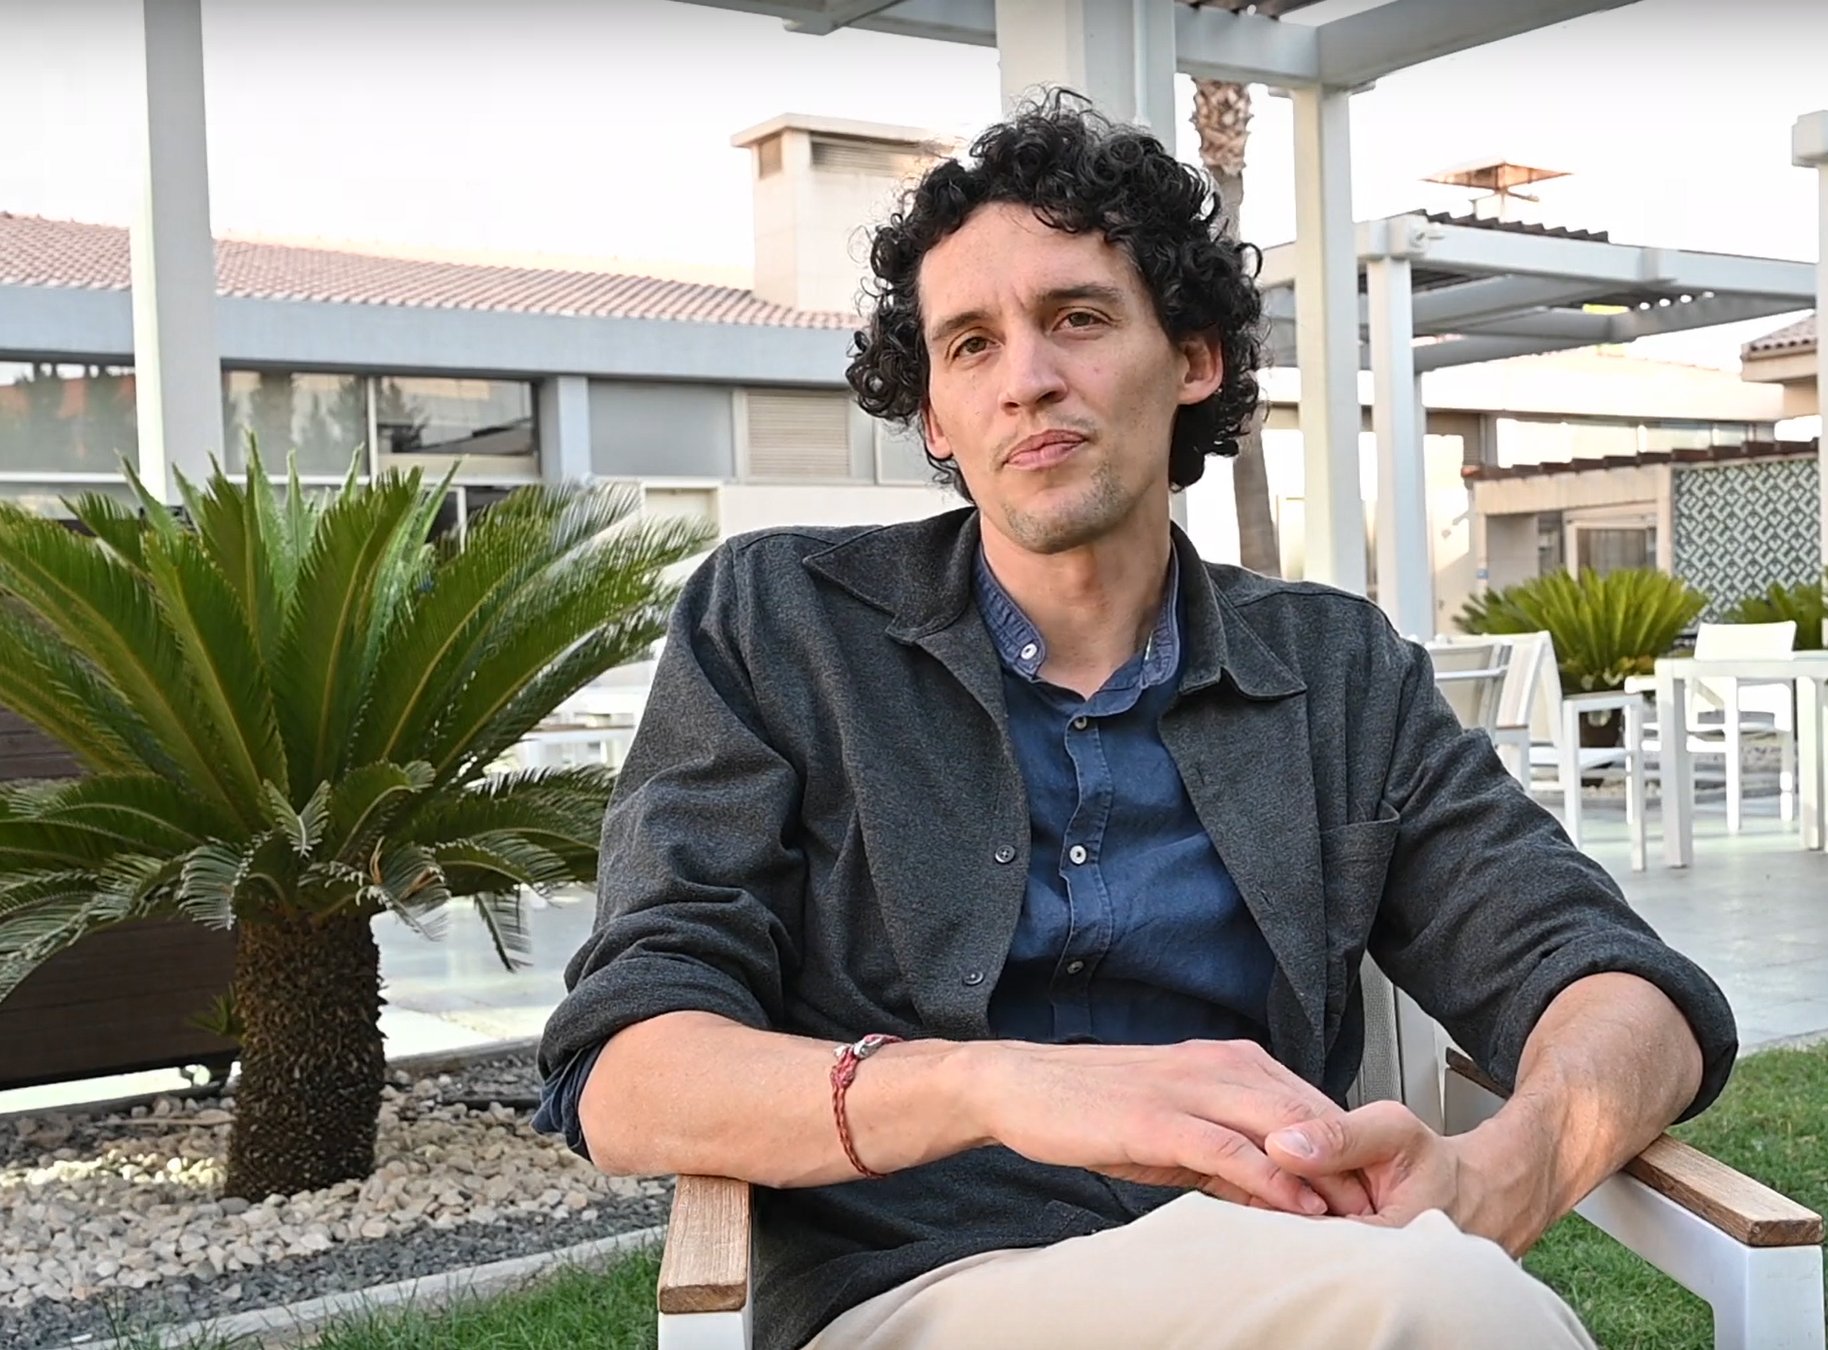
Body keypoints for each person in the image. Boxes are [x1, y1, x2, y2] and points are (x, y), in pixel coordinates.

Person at [535, 94, 1736, 1350]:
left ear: (1197, 360)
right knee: (1446, 1313)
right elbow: (628, 1069)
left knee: (1440, 1294)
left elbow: (1614, 984)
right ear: (936, 418)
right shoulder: (784, 624)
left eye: (1078, 319)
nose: (1028, 381)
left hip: (1285, 1269)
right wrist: (1003, 1090)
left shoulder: (1334, 673)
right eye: (970, 346)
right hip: (917, 1295)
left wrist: (1506, 1174)